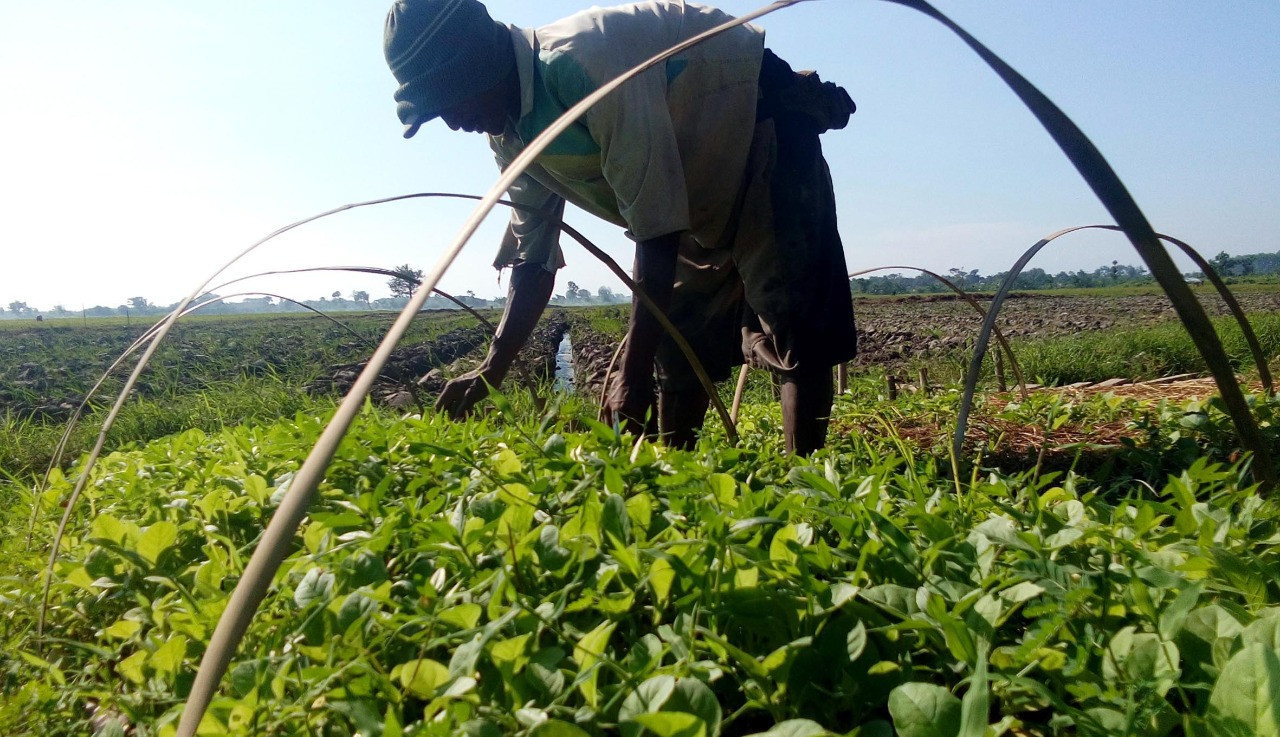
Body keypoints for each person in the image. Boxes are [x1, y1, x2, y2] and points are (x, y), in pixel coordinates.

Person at [384, 0, 857, 454]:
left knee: (796, 321)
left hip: (756, 120)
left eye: (449, 98)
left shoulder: (581, 65)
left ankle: (808, 495)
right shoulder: (509, 136)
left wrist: (629, 377)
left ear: (480, 62)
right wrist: (491, 370)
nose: (450, 120)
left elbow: (655, 225)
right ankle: (676, 484)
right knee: (678, 346)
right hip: (690, 186)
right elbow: (533, 260)